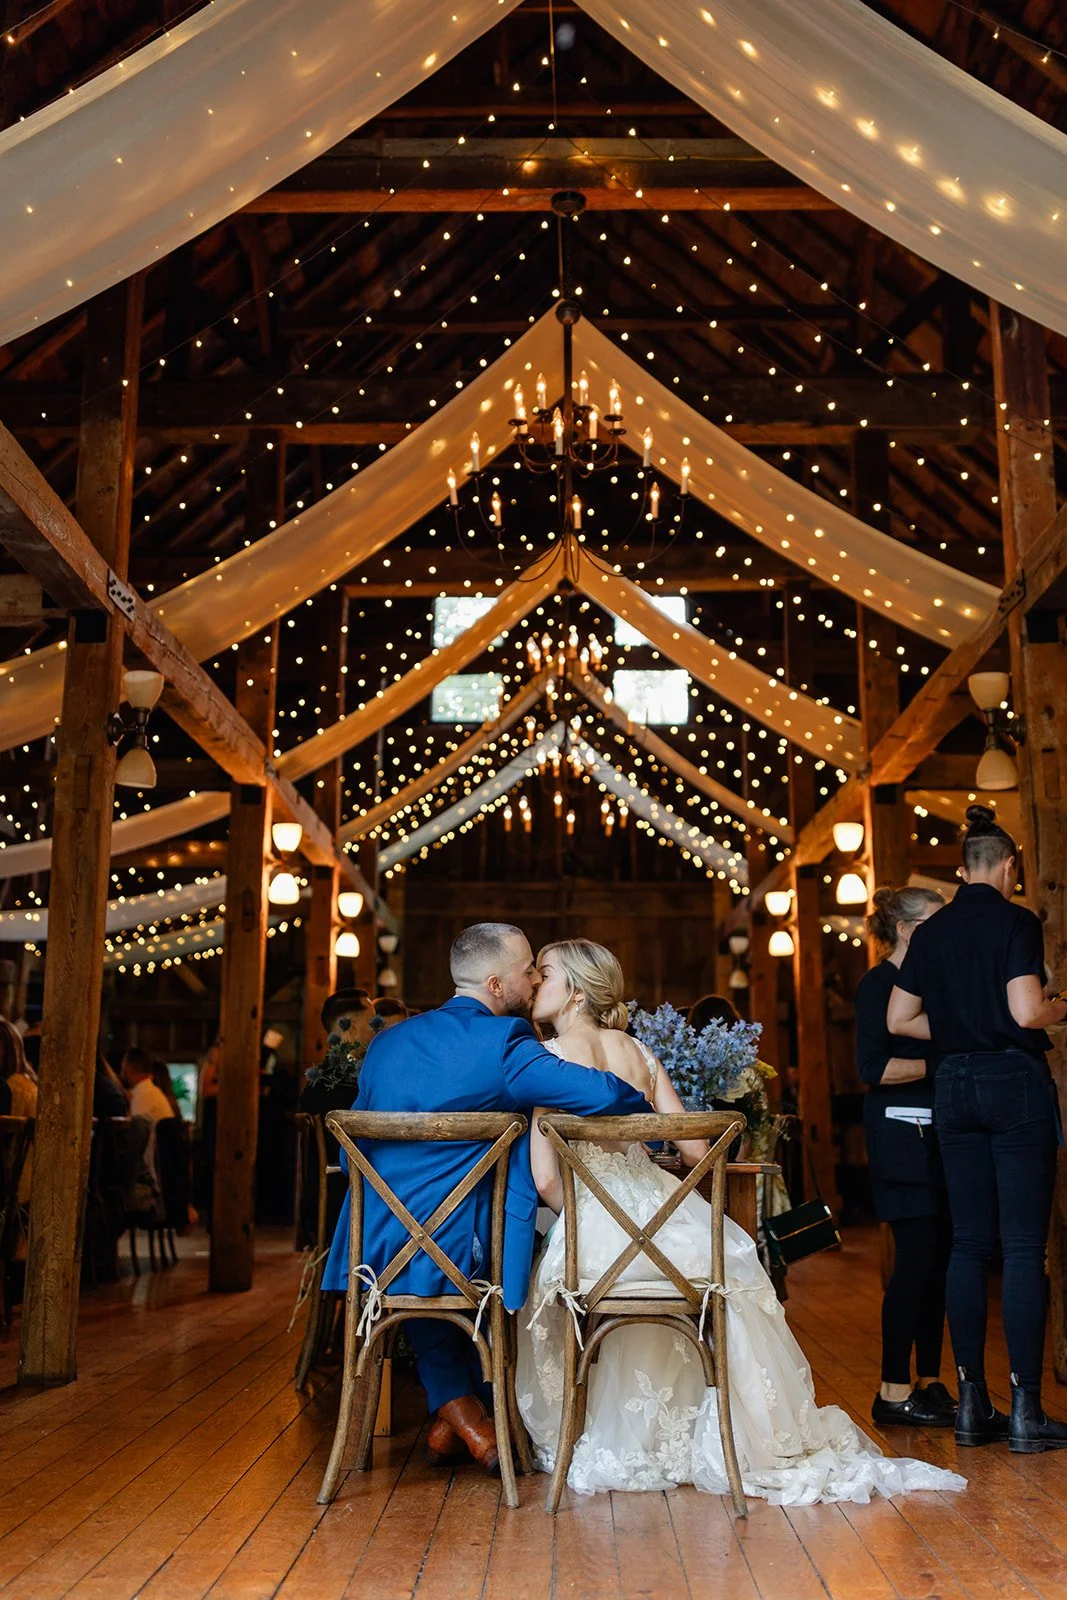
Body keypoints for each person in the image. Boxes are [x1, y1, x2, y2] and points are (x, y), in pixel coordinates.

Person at [517, 938, 966, 1502]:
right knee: (723, 1274)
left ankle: (598, 1427)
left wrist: (589, 1218)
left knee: (547, 1276)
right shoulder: (638, 1053)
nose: (535, 982)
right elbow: (696, 1147)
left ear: (576, 988)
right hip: (669, 1230)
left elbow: (546, 1182)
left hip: (598, 1236)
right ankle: (730, 1433)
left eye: (546, 973)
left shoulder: (547, 1062)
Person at [321, 923, 652, 1476]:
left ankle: (459, 1416)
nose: (533, 979)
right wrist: (638, 1087)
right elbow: (599, 1094)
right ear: (497, 985)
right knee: (535, 1246)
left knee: (429, 1243)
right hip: (461, 1246)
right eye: (528, 970)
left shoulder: (386, 1044)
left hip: (369, 1243)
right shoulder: (506, 1046)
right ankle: (481, 1420)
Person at [889, 805, 1067, 1453]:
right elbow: (1025, 1012)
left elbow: (900, 1017)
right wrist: (1060, 1006)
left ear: (964, 869)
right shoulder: (1016, 919)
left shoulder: (931, 932)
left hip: (951, 1085)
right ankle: (1025, 1412)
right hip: (1011, 1083)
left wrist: (962, 1029)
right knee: (1021, 1247)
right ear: (1009, 867)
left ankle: (971, 1407)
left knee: (967, 1244)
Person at [855, 886, 955, 1429]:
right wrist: (942, 1065)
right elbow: (873, 1068)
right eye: (936, 924)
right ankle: (892, 1390)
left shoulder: (930, 985)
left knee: (938, 1261)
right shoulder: (878, 985)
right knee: (915, 1260)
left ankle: (930, 1381)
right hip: (900, 1138)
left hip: (939, 1138)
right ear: (906, 929)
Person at [121, 1047, 173, 1124]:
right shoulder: (150, 1091)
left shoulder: (143, 1094)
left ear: (129, 1068)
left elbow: (133, 1131)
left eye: (123, 1066)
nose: (121, 1073)